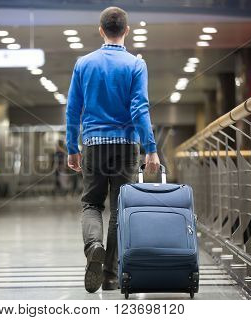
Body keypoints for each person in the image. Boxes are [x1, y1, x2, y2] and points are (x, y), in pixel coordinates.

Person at [66, 7, 160, 293]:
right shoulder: (135, 64)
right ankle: (109, 274)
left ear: (100, 29)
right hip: (126, 145)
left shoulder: (84, 63)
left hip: (93, 144)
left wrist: (72, 146)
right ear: (127, 31)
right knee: (122, 208)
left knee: (92, 204)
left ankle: (93, 245)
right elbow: (139, 108)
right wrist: (151, 148)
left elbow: (73, 110)